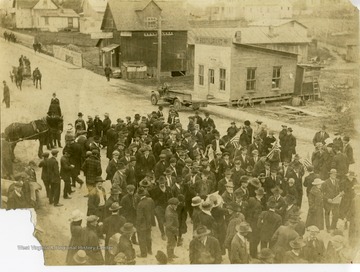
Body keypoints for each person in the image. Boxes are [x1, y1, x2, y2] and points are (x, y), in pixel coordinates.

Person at [136, 187, 155, 258]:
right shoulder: (150, 200)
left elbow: (139, 217)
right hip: (148, 223)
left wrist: (137, 225)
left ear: (139, 195)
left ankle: (143, 254)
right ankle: (149, 250)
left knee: (141, 239)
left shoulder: (140, 204)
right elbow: (152, 210)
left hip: (142, 225)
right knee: (148, 237)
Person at [164, 197, 180, 261]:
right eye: (176, 205)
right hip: (170, 231)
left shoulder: (169, 207)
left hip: (172, 230)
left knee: (173, 243)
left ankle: (172, 254)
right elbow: (168, 226)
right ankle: (169, 257)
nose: (177, 206)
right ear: (172, 204)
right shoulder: (169, 214)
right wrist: (175, 229)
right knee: (170, 243)